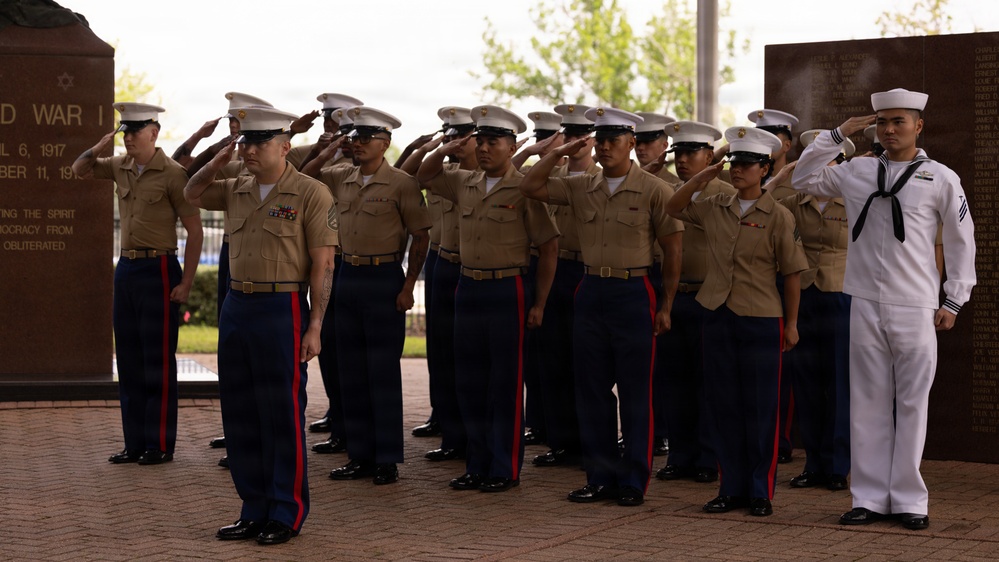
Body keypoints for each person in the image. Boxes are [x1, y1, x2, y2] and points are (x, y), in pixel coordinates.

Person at [792, 88, 977, 531]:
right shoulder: (855, 170)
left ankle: (911, 500)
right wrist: (836, 135)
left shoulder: (941, 177)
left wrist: (955, 297)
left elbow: (961, 239)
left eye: (898, 121)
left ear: (919, 125)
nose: (889, 130)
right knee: (869, 402)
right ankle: (870, 497)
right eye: (882, 122)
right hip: (864, 301)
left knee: (912, 402)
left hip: (915, 305)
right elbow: (802, 179)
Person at [183, 106, 336, 545]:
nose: (249, 149)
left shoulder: (311, 193)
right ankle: (253, 507)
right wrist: (220, 155)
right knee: (240, 411)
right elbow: (192, 191)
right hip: (237, 305)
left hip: (281, 307)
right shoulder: (235, 187)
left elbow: (323, 265)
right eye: (245, 141)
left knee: (281, 412)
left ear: (285, 146)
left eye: (259, 142)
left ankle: (285, 511)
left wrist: (315, 325)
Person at [520, 107, 683, 507]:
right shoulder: (581, 184)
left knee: (634, 392)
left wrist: (666, 304)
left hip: (633, 291)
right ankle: (599, 476)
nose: (606, 146)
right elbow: (530, 186)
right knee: (590, 390)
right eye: (600, 139)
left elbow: (673, 249)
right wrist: (561, 152)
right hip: (590, 290)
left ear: (632, 142)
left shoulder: (654, 190)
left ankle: (632, 480)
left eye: (614, 140)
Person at [666, 126, 807, 517]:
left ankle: (759, 490)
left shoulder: (778, 215)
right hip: (717, 315)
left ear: (764, 169)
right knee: (723, 404)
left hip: (761, 317)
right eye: (734, 163)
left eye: (746, 164)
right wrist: (703, 174)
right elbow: (672, 208)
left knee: (761, 407)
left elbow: (792, 273)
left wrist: (792, 324)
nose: (737, 170)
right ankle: (730, 487)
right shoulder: (716, 206)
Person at [417, 105, 559, 493]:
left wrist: (540, 303)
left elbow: (548, 248)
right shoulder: (465, 181)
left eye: (492, 142)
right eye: (479, 141)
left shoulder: (525, 188)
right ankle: (476, 463)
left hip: (506, 288)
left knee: (504, 383)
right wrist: (447, 149)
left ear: (511, 145)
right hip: (468, 287)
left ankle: (503, 467)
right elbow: (423, 175)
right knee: (470, 380)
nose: (482, 148)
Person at [72, 102, 203, 466]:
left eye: (134, 131)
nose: (128, 137)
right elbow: (79, 169)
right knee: (128, 360)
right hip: (127, 269)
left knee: (157, 360)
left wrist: (187, 282)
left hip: (159, 270)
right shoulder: (119, 166)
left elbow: (196, 231)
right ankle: (134, 443)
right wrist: (100, 147)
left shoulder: (174, 174)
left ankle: (159, 443)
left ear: (154, 132)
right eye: (124, 131)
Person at [310, 107, 431, 486]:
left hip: (383, 278)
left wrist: (409, 285)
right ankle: (359, 454)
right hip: (347, 276)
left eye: (366, 138)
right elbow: (304, 176)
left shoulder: (401, 183)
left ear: (386, 142)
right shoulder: (339, 176)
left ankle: (386, 458)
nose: (358, 144)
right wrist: (331, 150)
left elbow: (421, 235)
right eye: (354, 137)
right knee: (350, 373)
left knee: (381, 373)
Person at [653, 121, 732, 485]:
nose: (682, 160)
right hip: (673, 295)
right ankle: (680, 455)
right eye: (678, 153)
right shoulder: (668, 191)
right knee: (674, 382)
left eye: (690, 153)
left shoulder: (728, 193)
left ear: (709, 155)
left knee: (708, 383)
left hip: (709, 296)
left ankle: (707, 456)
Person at [401, 106, 478, 461]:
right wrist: (437, 148)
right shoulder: (442, 172)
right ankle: (446, 423)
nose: (454, 143)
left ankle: (469, 431)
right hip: (440, 262)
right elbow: (407, 177)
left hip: (471, 267)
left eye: (461, 137)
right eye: (449, 136)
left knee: (469, 356)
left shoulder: (484, 177)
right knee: (441, 350)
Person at [779, 130, 854, 493]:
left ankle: (838, 464)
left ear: (841, 164)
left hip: (843, 296)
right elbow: (763, 199)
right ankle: (813, 462)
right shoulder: (796, 202)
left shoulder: (854, 200)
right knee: (806, 383)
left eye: (828, 159)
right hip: (803, 296)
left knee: (840, 384)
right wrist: (783, 172)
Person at [529, 103, 598, 468]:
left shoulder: (599, 179)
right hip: (551, 271)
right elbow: (527, 184)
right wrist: (552, 153)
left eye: (581, 136)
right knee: (552, 361)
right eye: (568, 135)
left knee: (586, 365)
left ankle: (590, 442)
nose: (574, 142)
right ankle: (561, 442)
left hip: (586, 271)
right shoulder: (551, 178)